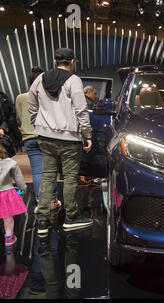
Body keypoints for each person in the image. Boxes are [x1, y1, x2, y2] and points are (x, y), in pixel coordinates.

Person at [28, 48, 93, 237]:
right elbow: (82, 110)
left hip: (45, 137)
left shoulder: (40, 79)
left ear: (55, 61)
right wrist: (87, 134)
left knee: (48, 176)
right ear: (72, 61)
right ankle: (71, 218)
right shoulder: (74, 80)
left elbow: (32, 105)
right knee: (70, 177)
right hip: (70, 138)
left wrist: (38, 123)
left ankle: (42, 222)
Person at [15, 67, 60, 212]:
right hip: (47, 137)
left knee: (37, 171)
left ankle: (41, 203)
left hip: (29, 139)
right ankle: (52, 201)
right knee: (50, 170)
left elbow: (20, 119)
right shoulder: (50, 97)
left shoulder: (20, 98)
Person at [0, 144, 27, 247]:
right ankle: (8, 237)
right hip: (6, 193)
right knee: (8, 218)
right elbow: (18, 178)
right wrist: (23, 188)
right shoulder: (11, 163)